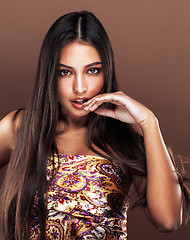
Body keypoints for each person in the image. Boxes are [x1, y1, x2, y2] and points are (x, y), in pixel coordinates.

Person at [0, 10, 189, 240]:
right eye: (65, 72)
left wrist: (149, 122)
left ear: (106, 70)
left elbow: (168, 220)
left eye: (92, 70)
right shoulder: (21, 128)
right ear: (49, 74)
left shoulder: (124, 137)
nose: (80, 87)